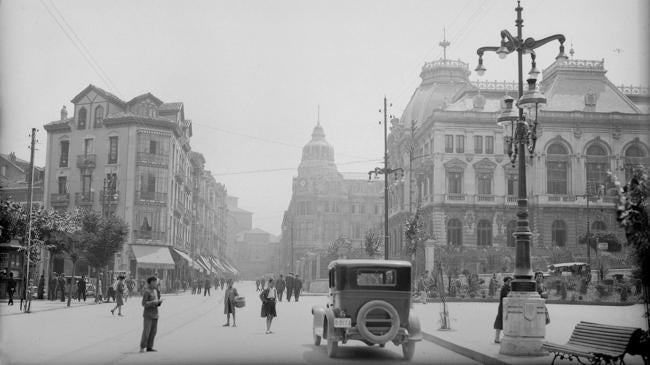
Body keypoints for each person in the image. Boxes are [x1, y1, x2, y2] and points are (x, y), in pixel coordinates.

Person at [140, 276, 163, 353]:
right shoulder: (147, 291)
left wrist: (159, 302)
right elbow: (143, 303)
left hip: (155, 314)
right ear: (150, 283)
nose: (156, 283)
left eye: (156, 282)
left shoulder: (155, 291)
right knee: (146, 332)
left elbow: (156, 301)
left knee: (153, 332)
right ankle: (142, 347)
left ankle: (150, 347)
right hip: (148, 315)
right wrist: (153, 302)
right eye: (154, 282)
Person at [493, 276, 512, 344]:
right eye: (508, 281)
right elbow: (506, 296)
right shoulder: (504, 288)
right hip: (503, 307)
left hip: (505, 306)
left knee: (502, 322)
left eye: (510, 281)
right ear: (505, 281)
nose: (509, 282)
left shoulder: (508, 288)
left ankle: (499, 338)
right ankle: (497, 339)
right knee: (499, 322)